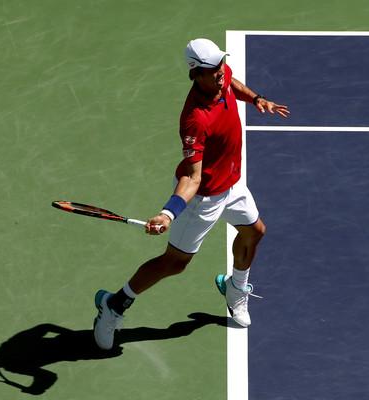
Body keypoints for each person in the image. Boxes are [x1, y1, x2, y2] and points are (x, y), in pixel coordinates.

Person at [93, 38, 289, 350]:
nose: (221, 72)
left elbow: (232, 83)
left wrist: (256, 99)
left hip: (232, 183)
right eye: (214, 70)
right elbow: (192, 176)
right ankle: (114, 305)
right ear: (196, 74)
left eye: (221, 65)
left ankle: (235, 289)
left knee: (255, 231)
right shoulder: (195, 120)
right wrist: (168, 213)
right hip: (204, 198)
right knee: (174, 263)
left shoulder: (220, 77)